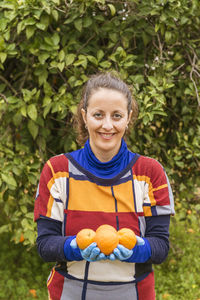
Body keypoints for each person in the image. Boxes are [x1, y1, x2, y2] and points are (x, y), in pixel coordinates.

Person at [34, 72, 175, 300]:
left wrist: (137, 249)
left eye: (116, 116)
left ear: (128, 118)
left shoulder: (150, 173)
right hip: (70, 293)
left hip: (135, 294)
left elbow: (160, 247)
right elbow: (44, 244)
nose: (107, 125)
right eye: (98, 115)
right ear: (84, 116)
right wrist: (75, 247)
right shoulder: (56, 171)